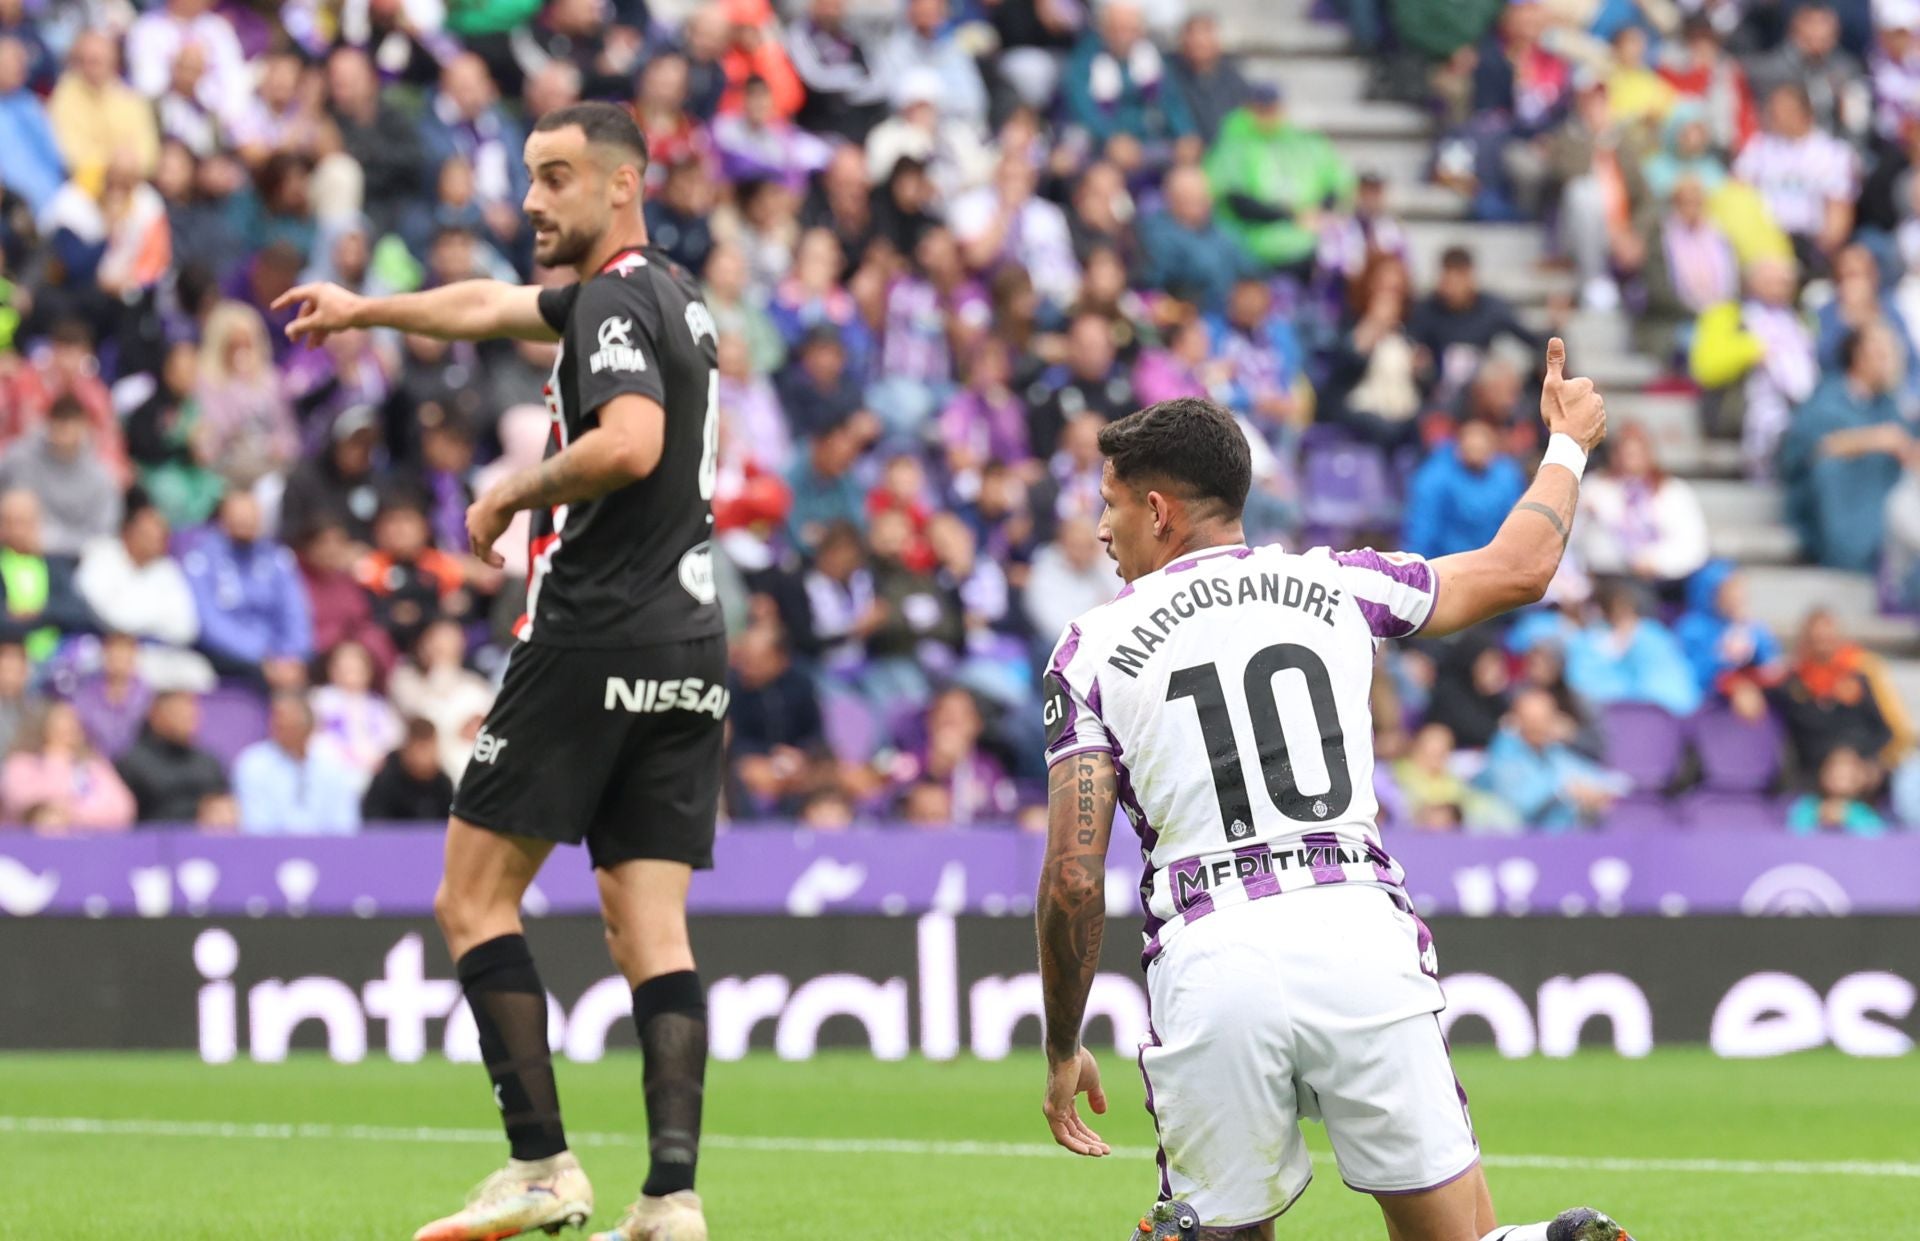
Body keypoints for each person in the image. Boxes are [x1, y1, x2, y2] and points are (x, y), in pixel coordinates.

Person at [1032, 344, 1632, 1241]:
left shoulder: (1090, 647)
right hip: (1358, 927)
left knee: (1221, 1228)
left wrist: (1062, 1041)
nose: (1104, 528)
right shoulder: (1341, 583)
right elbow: (1522, 566)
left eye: (1111, 505)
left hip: (1211, 946)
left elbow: (1074, 879)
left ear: (1157, 509)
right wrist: (1567, 444)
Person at [276, 102, 722, 1241]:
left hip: (592, 632)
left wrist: (512, 489)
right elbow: (483, 308)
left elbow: (631, 441)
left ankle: (539, 1163)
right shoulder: (669, 296)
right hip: (688, 648)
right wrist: (367, 309)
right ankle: (671, 1198)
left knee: (472, 898)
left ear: (621, 186)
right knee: (649, 928)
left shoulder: (614, 300)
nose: (532, 200)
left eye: (557, 177)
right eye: (529, 177)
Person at [232, 690, 363, 835]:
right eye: (278, 723)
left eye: (291, 725)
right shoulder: (253, 763)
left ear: (309, 728)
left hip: (328, 851)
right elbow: (256, 825)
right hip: (269, 851)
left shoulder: (333, 766)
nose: (281, 727)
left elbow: (345, 826)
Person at [1, 698, 135, 830]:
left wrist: (75, 815)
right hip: (23, 846)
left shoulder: (92, 765)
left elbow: (123, 808)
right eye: (58, 729)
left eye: (71, 728)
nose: (66, 734)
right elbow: (21, 801)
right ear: (44, 729)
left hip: (81, 843)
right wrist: (55, 759)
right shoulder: (21, 763)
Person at [114, 689, 229, 825]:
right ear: (156, 715)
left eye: (191, 708)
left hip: (204, 843)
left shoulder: (209, 763)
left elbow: (223, 807)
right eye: (178, 710)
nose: (188, 715)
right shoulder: (131, 764)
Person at [363, 716, 457, 822]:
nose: (427, 757)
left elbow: (450, 823)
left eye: (431, 748)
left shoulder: (442, 783)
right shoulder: (386, 779)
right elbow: (373, 821)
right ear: (408, 748)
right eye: (422, 749)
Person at [1786, 745, 1887, 836]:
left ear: (1861, 779)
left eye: (1848, 777)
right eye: (1835, 775)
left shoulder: (1862, 810)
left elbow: (1878, 835)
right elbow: (1792, 831)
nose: (1841, 781)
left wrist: (1848, 816)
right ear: (1823, 774)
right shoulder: (1809, 804)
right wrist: (1817, 815)